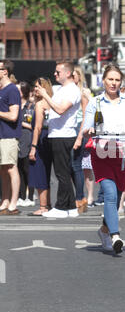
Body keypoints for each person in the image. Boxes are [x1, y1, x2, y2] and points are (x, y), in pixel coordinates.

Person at [82, 64, 125, 254]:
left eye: (116, 80)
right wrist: (89, 130)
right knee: (110, 195)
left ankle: (104, 230)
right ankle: (115, 236)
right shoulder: (95, 102)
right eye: (110, 79)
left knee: (117, 194)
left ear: (121, 82)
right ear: (103, 80)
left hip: (123, 155)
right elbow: (86, 127)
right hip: (102, 154)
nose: (113, 83)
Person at [35, 60, 81, 218]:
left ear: (68, 73)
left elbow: (61, 109)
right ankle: (71, 207)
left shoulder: (72, 90)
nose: (55, 74)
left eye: (58, 72)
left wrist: (45, 95)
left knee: (62, 173)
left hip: (64, 134)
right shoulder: (63, 89)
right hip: (57, 134)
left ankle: (61, 207)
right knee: (62, 172)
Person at [28, 78, 53, 216]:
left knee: (39, 173)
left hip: (40, 140)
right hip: (49, 138)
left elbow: (37, 127)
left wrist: (33, 147)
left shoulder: (39, 105)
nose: (35, 89)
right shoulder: (50, 102)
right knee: (46, 173)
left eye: (38, 87)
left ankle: (43, 206)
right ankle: (47, 204)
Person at [0, 59, 22, 215]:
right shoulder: (1, 90)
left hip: (9, 135)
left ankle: (14, 203)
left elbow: (14, 115)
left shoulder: (12, 90)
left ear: (4, 71)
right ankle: (5, 200)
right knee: (3, 169)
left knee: (11, 168)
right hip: (1, 135)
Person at [71, 65, 91, 213]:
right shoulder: (67, 90)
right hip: (69, 129)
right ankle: (79, 197)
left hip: (80, 128)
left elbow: (85, 115)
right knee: (71, 166)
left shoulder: (83, 92)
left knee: (77, 165)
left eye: (74, 75)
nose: (72, 77)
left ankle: (80, 198)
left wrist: (80, 135)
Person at [16, 81, 35, 207]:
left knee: (28, 169)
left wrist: (19, 122)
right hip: (17, 138)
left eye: (18, 90)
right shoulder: (15, 105)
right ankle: (21, 196)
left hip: (27, 138)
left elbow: (31, 125)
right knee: (19, 169)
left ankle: (30, 196)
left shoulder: (30, 106)